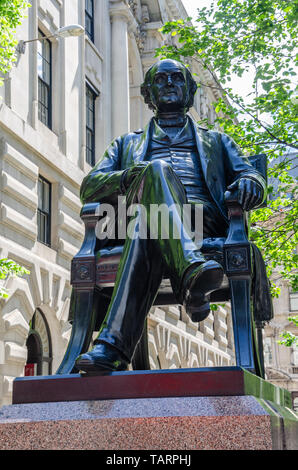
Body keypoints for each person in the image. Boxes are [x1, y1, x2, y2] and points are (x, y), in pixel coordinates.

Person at [76, 59, 266, 372]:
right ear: (148, 93)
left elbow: (250, 174)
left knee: (147, 220)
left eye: (176, 78)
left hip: (201, 224)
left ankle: (111, 347)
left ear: (189, 90)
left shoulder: (217, 141)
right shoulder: (127, 144)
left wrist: (250, 180)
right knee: (153, 190)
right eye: (160, 78)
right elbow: (89, 187)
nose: (168, 83)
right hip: (141, 222)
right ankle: (191, 272)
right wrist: (130, 177)